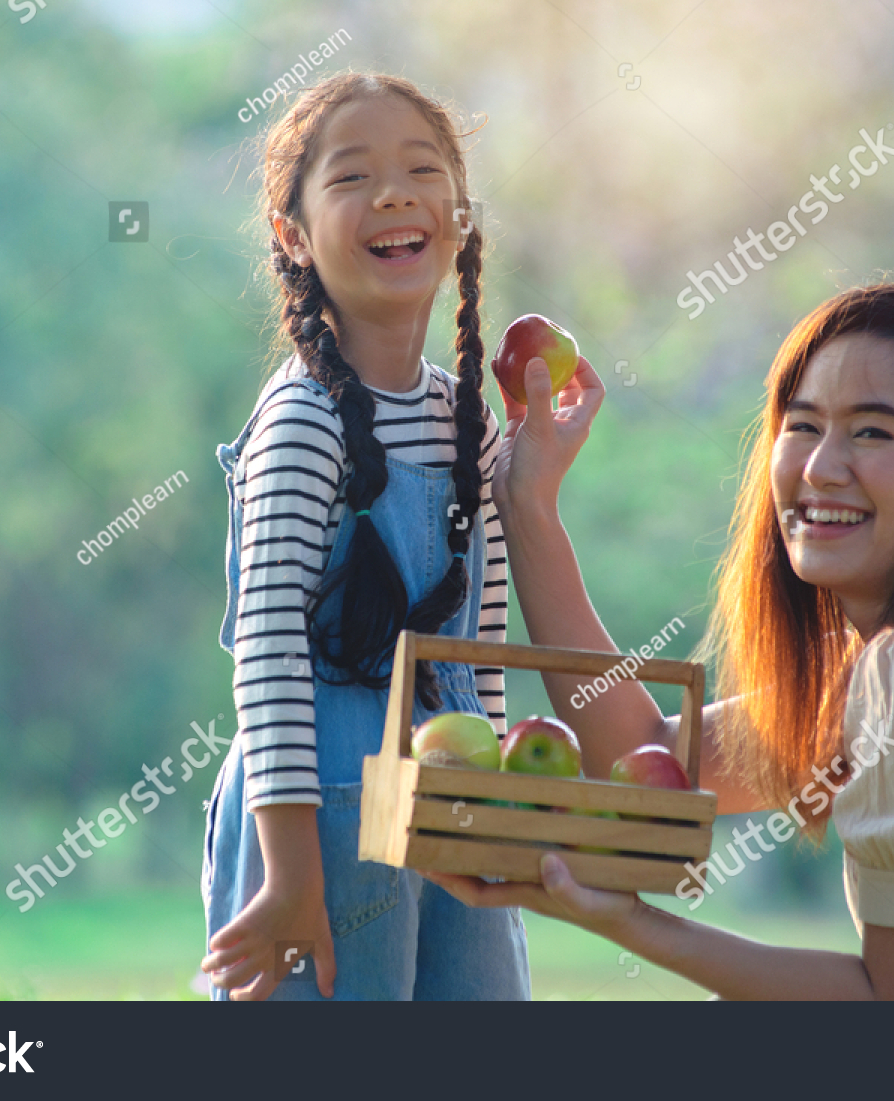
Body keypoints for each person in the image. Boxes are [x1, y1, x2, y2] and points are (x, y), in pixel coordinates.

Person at [424, 280, 894, 999]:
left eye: (872, 431)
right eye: (803, 425)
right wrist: (529, 506)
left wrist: (621, 918)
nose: (822, 467)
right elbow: (649, 753)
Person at [199, 73, 533, 1000]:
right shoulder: (303, 418)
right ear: (293, 236)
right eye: (352, 177)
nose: (392, 193)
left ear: (458, 218)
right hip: (319, 819)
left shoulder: (471, 423)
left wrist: (499, 818)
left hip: (451, 791)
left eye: (421, 170)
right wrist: (290, 872)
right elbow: (267, 648)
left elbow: (482, 646)